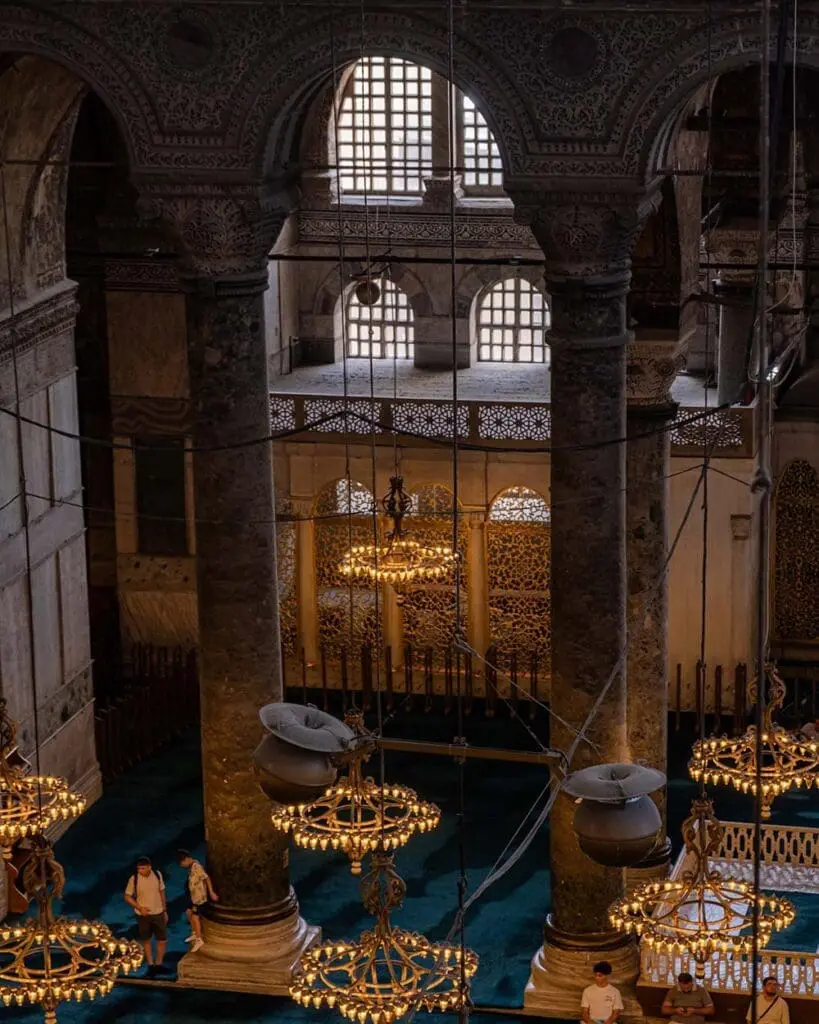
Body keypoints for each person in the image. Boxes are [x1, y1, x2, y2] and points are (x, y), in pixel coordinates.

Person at [124, 856, 168, 975]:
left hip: (158, 912)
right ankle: (150, 964)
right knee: (146, 939)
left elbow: (162, 892)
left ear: (149, 867)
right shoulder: (134, 879)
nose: (140, 871)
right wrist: (140, 908)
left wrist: (164, 910)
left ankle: (158, 964)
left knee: (162, 940)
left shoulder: (157, 875)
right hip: (143, 915)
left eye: (143, 868)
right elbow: (127, 896)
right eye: (139, 868)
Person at [177, 849, 218, 953]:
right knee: (188, 912)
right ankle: (195, 932)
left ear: (186, 860)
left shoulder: (197, 867)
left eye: (182, 863)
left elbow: (206, 878)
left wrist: (211, 892)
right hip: (193, 896)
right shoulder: (191, 867)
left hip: (200, 898)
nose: (183, 866)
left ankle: (199, 939)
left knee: (195, 916)